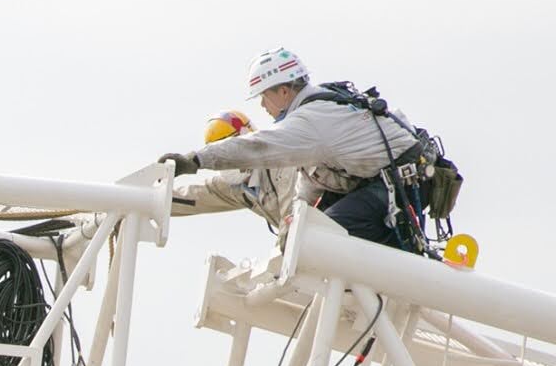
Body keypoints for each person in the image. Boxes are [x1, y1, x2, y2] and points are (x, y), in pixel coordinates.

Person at [160, 49, 442, 252]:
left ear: (284, 91)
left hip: (400, 185)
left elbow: (257, 147)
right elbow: (310, 183)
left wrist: (195, 160)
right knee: (308, 233)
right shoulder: (314, 121)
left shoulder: (309, 121)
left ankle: (379, 280)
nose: (262, 107)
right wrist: (289, 231)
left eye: (264, 97)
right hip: (388, 184)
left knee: (318, 239)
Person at [171, 109, 295, 233]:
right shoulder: (237, 189)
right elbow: (194, 196)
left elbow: (293, 220)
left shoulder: (281, 168)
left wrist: (284, 249)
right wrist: (155, 195)